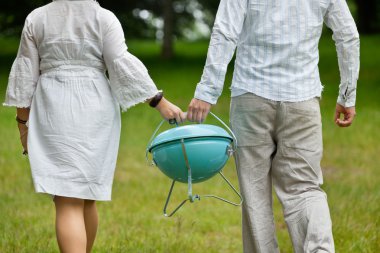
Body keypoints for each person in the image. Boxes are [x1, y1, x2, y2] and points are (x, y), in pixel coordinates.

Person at [3, 0, 186, 252]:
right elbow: (120, 63)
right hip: (96, 109)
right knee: (86, 198)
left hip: (54, 110)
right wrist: (159, 102)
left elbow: (26, 75)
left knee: (68, 200)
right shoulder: (104, 18)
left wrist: (23, 125)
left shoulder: (37, 18)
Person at [187, 0, 359, 252]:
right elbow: (348, 35)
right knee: (304, 188)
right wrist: (347, 95)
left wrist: (207, 92)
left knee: (254, 192)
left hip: (251, 96)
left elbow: (225, 31)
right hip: (302, 97)